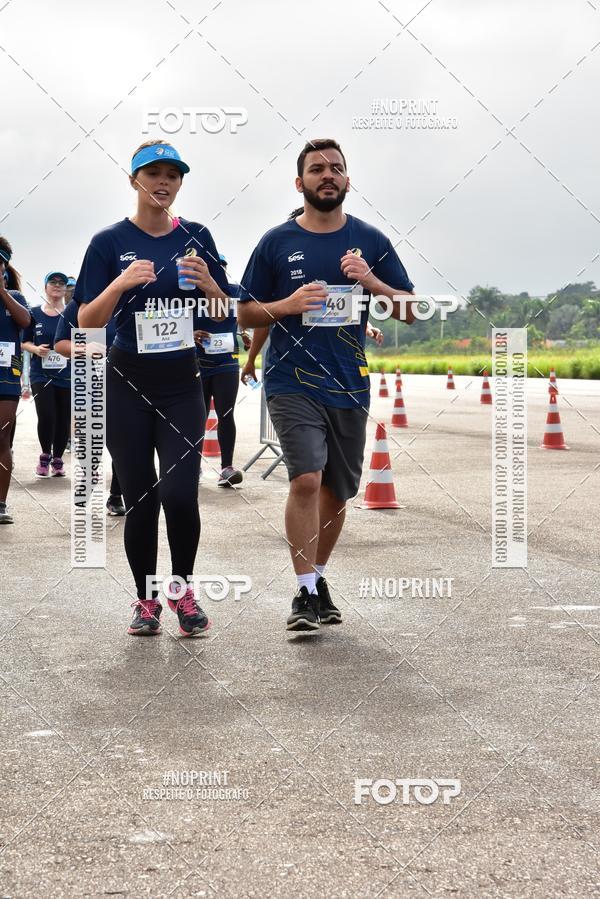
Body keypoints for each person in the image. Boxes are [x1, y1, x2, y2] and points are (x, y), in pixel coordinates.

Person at [238, 138, 415, 632]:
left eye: (336, 167)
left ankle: (317, 579)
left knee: (337, 492)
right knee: (306, 479)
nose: (327, 174)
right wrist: (288, 305)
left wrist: (373, 283)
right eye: (317, 169)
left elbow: (410, 310)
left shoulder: (371, 241)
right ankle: (303, 591)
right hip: (291, 380)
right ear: (300, 183)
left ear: (348, 180)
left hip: (349, 383)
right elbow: (245, 312)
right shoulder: (276, 242)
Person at [76, 139, 229, 637]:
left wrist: (210, 286)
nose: (163, 182)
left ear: (180, 183)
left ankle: (182, 592)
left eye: (173, 174)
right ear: (134, 180)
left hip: (182, 385)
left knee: (181, 496)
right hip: (126, 385)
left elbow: (224, 314)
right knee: (140, 498)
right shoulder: (108, 242)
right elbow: (86, 323)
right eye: (153, 173)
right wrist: (120, 284)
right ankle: (146, 601)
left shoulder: (197, 237)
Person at [54, 300, 125, 515]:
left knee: (124, 442)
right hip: (89, 382)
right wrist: (84, 348)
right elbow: (60, 344)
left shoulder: (133, 298)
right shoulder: (79, 304)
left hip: (127, 383)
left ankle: (116, 494)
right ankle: (88, 476)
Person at [194, 253, 245, 487]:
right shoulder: (189, 294)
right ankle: (192, 466)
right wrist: (190, 334)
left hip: (226, 362)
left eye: (221, 267)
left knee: (226, 413)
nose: (218, 271)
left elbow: (244, 314)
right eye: (214, 267)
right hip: (197, 362)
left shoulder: (234, 291)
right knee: (196, 416)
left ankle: (227, 467)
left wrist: (243, 332)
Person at [21, 272, 71, 478]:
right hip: (41, 374)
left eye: (61, 283)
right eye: (53, 282)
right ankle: (44, 456)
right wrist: (35, 349)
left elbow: (84, 338)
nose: (57, 285)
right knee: (47, 415)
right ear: (45, 287)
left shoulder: (72, 313)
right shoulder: (33, 313)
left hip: (67, 374)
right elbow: (24, 341)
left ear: (66, 288)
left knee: (63, 418)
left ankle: (58, 460)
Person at [0, 237, 31, 524]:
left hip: (7, 378)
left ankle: (1, 503)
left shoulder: (15, 297)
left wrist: (2, 292)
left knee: (2, 437)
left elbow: (25, 322)